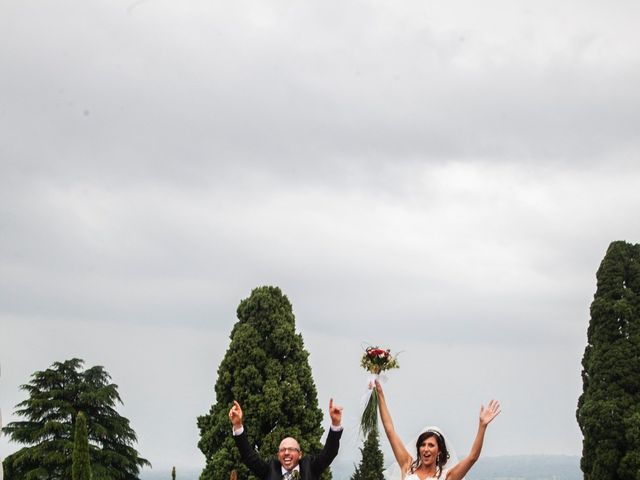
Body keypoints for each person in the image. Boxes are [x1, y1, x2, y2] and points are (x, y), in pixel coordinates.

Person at [376, 381, 500, 480]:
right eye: (423, 445)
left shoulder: (446, 476)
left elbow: (472, 457)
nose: (426, 449)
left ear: (439, 450)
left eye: (431, 445)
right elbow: (389, 430)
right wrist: (380, 395)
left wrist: (482, 426)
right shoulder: (407, 466)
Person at [228, 398, 343, 480]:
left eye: (291, 449)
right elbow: (249, 456)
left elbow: (329, 452)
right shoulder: (269, 470)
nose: (286, 453)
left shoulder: (311, 468)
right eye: (282, 450)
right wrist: (238, 425)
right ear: (278, 456)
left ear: (300, 454)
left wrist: (335, 424)